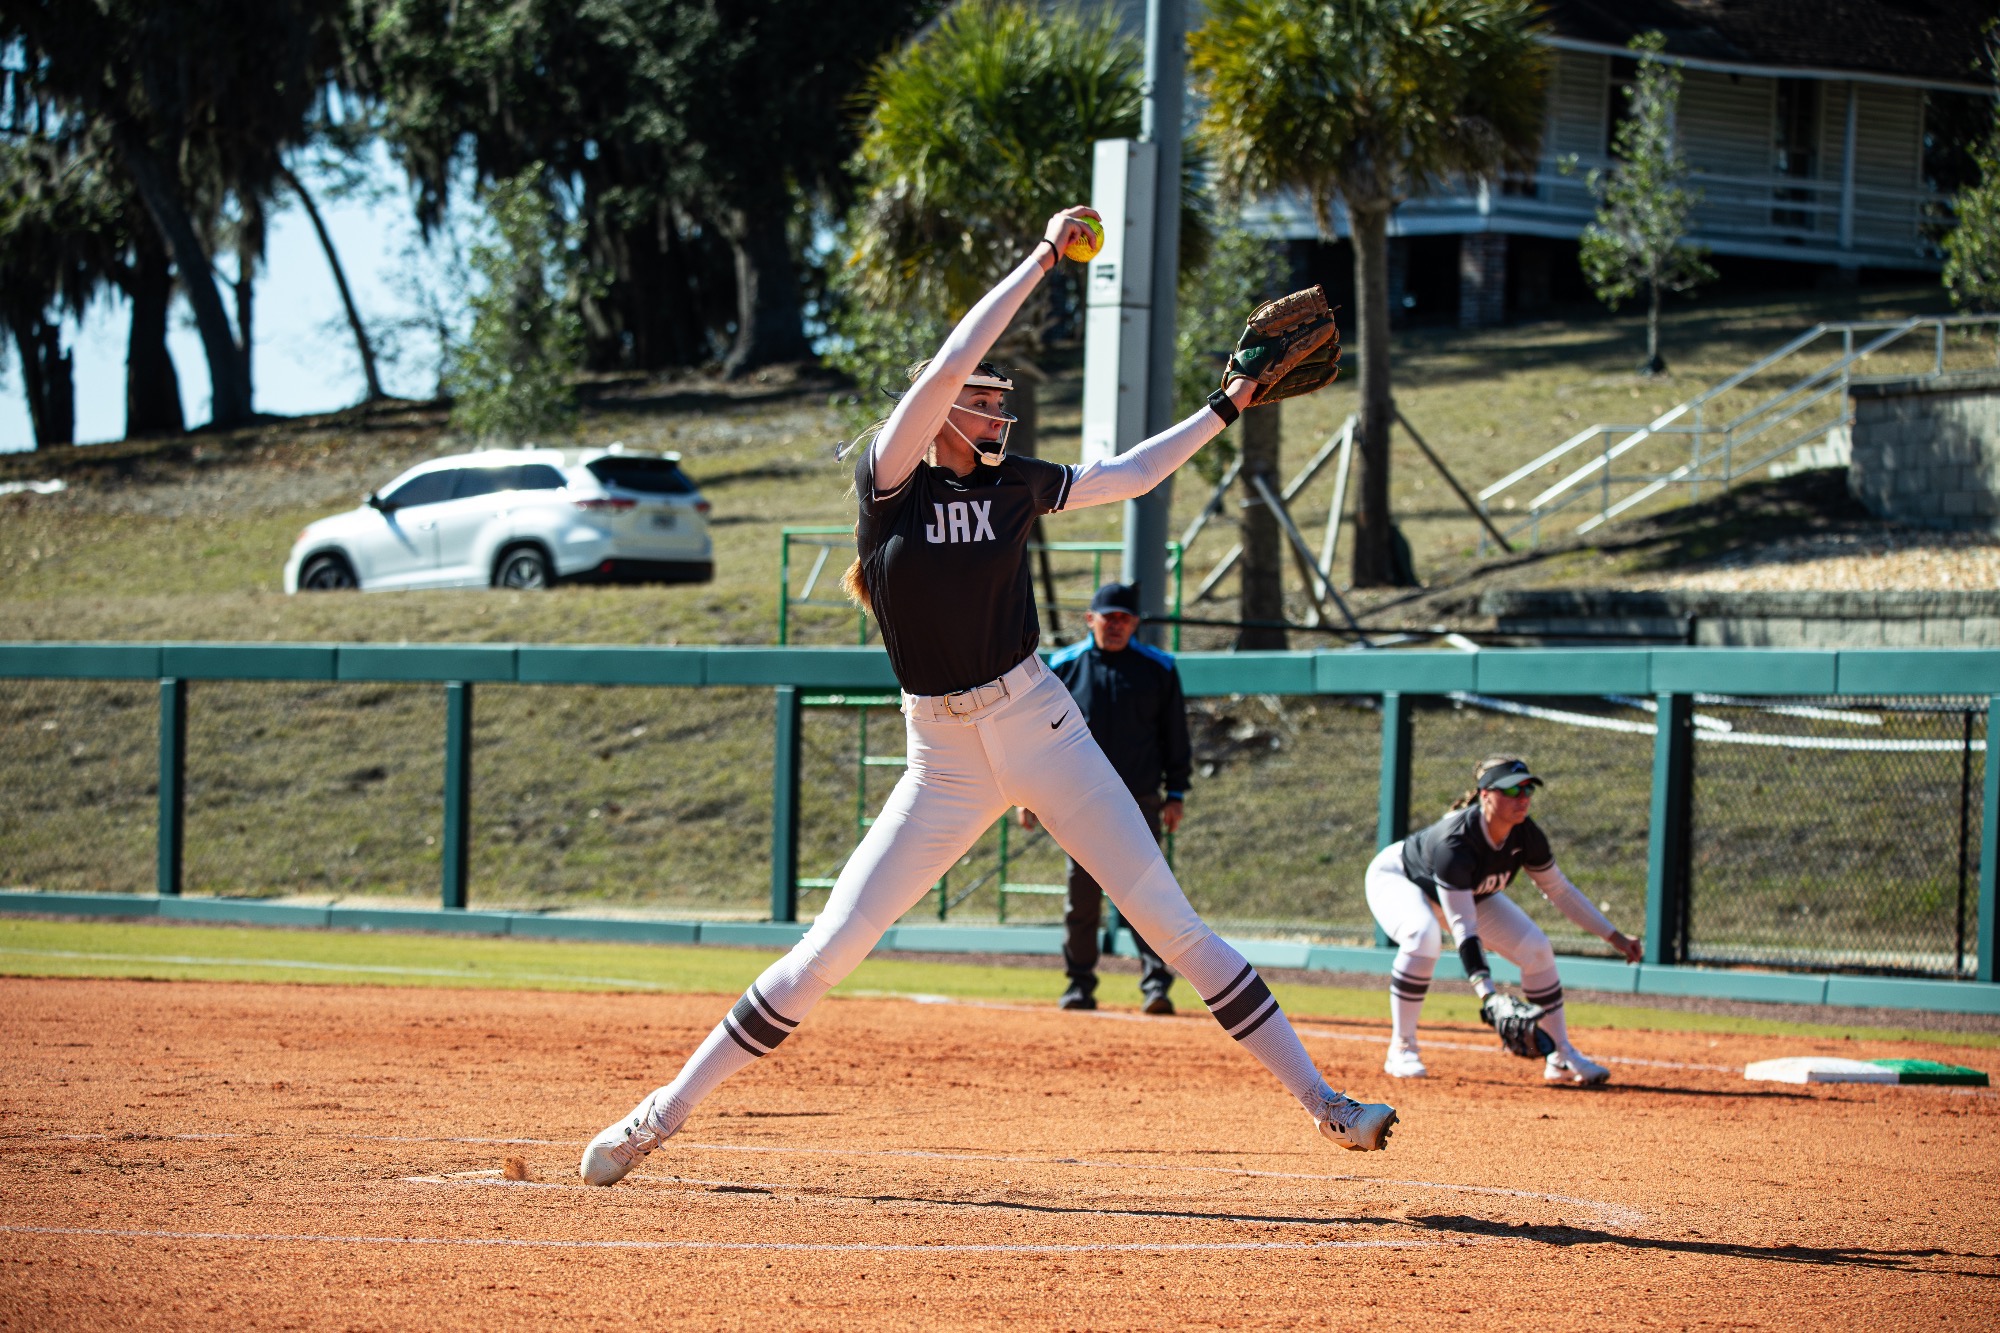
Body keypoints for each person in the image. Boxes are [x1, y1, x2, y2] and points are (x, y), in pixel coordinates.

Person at [581, 205, 1395, 1186]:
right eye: (985, 400)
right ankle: (657, 1117)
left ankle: (1328, 1106)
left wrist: (1228, 401)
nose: (999, 410)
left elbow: (1132, 475)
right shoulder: (890, 483)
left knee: (1170, 923)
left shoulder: (1014, 483)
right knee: (828, 951)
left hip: (1039, 723)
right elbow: (955, 352)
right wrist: (1044, 257)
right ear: (937, 418)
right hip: (941, 759)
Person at [1364, 754, 1644, 1085]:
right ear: (1485, 795)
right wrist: (1489, 996)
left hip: (1466, 894)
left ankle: (1561, 1055)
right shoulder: (1455, 841)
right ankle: (1402, 1049)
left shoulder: (1526, 835)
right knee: (1423, 935)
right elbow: (1463, 927)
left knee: (1537, 948)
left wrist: (1615, 937)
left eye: (1527, 789)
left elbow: (1561, 891)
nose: (1522, 798)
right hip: (1400, 878)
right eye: (1511, 791)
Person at [1019, 581, 1190, 1015]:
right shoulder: (1062, 665)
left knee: (1149, 897)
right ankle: (1079, 985)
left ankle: (1156, 986)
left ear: (1135, 623)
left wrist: (1176, 792)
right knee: (1083, 899)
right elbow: (1036, 733)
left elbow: (1175, 736)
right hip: (1078, 802)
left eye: (1124, 618)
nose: (1115, 625)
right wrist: (1026, 793)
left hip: (1139, 801)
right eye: (1108, 617)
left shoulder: (1159, 668)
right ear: (1089, 619)